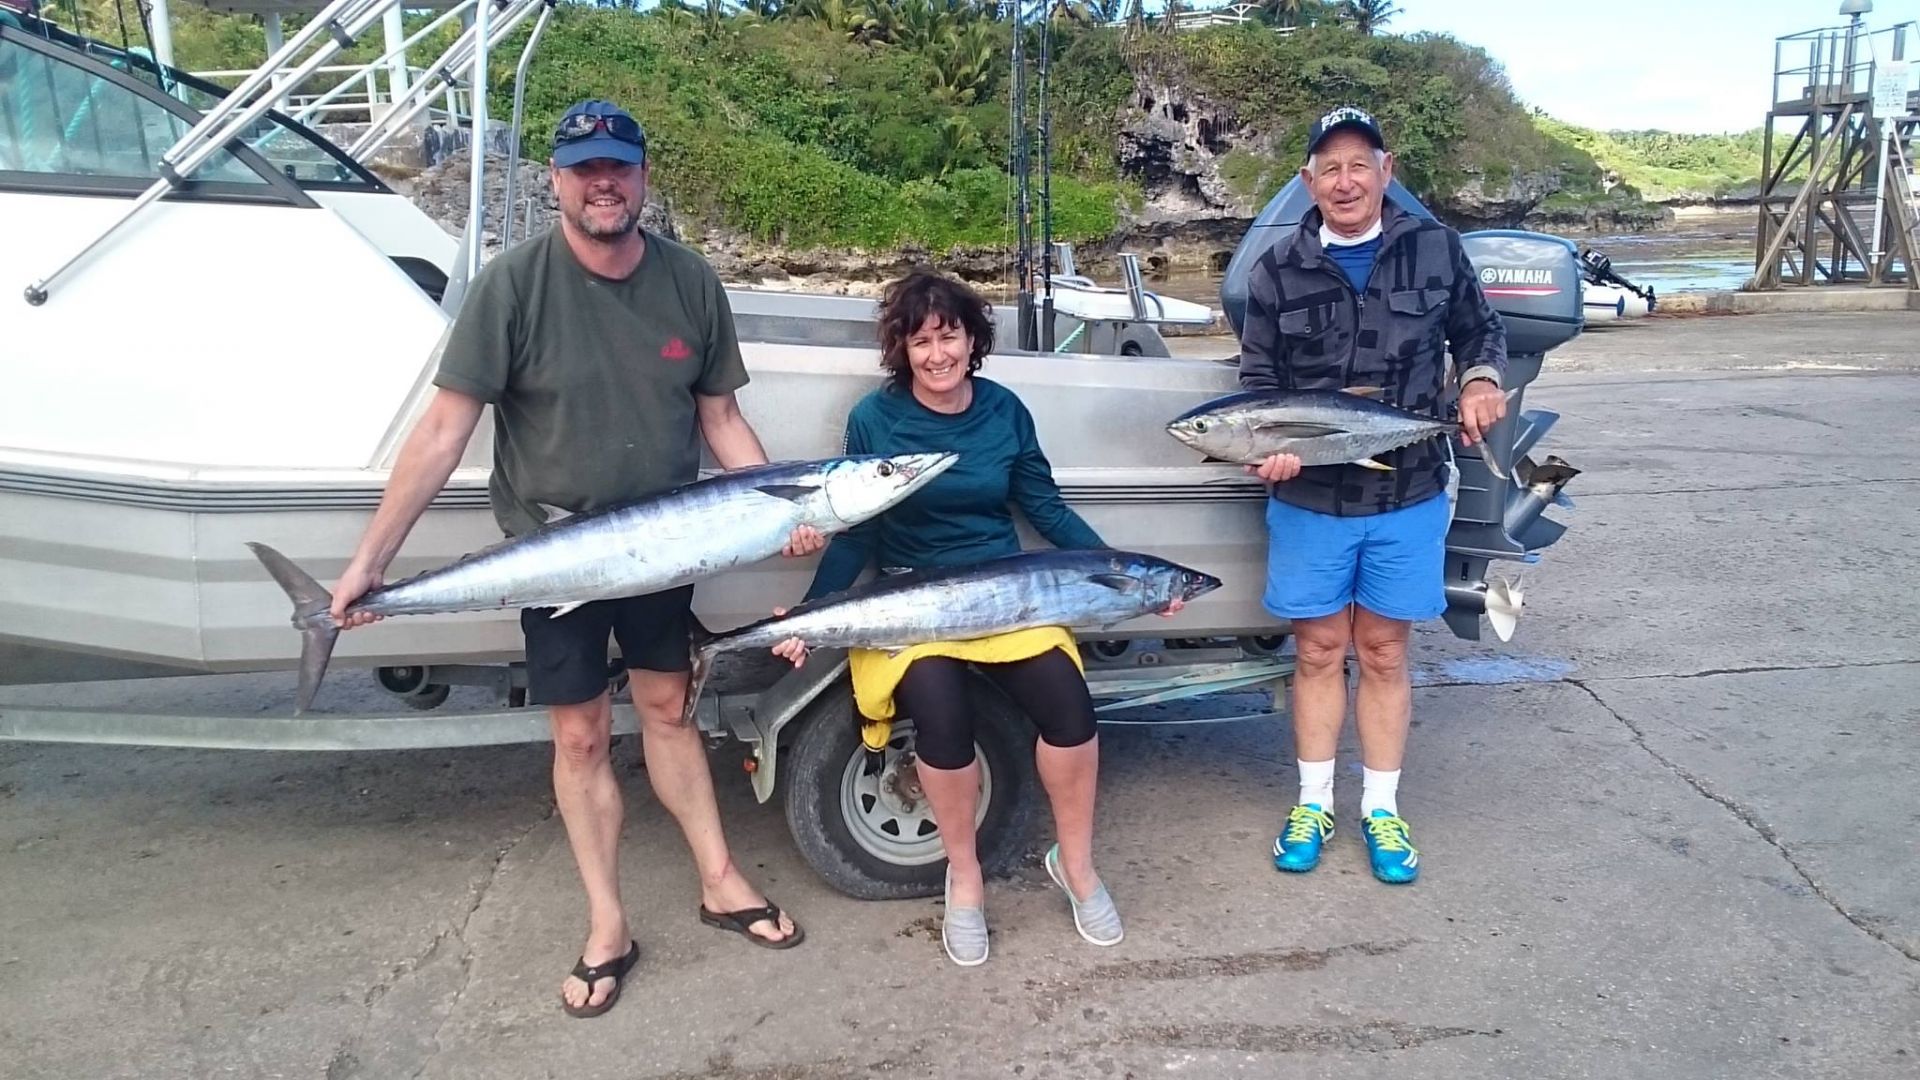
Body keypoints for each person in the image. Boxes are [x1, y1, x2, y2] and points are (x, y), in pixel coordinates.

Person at [328, 99, 818, 1019]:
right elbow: (442, 433)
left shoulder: (690, 282)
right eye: (585, 168)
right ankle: (607, 924)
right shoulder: (511, 287)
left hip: (665, 547)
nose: (605, 183)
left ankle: (718, 878)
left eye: (620, 168)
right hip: (558, 556)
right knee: (581, 734)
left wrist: (784, 507)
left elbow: (721, 420)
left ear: (641, 178)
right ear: (555, 179)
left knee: (671, 709)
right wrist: (369, 565)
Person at [768, 271, 1181, 967]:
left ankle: (1076, 865)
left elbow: (1043, 511)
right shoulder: (876, 419)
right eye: (921, 340)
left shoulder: (1005, 411)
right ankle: (965, 876)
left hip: (1006, 593)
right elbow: (859, 532)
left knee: (1070, 710)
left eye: (949, 335)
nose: (937, 354)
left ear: (972, 338)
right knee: (940, 711)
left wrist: (1130, 576)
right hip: (911, 600)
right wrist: (811, 615)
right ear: (903, 348)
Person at [1237, 105, 1508, 885]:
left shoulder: (1435, 247)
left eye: (1360, 164)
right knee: (1319, 650)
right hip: (1312, 502)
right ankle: (1314, 801)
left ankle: (1381, 809)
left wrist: (1482, 378)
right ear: (1307, 181)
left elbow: (1479, 333)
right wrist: (1270, 453)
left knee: (1385, 650)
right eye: (1330, 167)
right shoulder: (1276, 268)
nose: (1345, 180)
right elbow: (1258, 386)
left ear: (1386, 171)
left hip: (1410, 492)